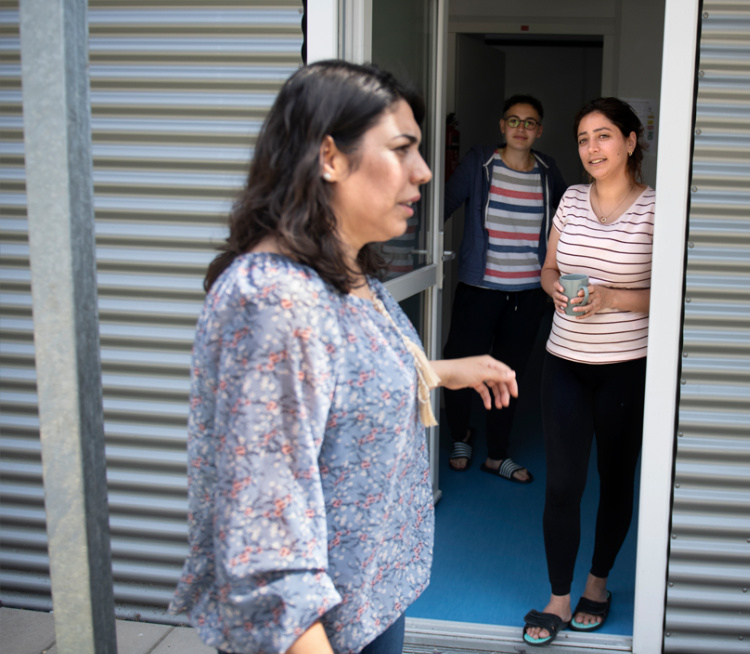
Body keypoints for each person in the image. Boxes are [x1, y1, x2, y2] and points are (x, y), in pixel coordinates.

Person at [168, 60, 519, 654]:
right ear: (329, 157)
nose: (425, 172)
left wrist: (440, 372)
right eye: (403, 149)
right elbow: (261, 529)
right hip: (317, 629)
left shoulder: (348, 270)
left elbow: (341, 384)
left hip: (372, 594)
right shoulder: (272, 301)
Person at [522, 98, 655, 645]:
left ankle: (597, 585)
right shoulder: (571, 200)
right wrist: (555, 288)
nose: (592, 148)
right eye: (582, 139)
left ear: (629, 142)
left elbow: (669, 296)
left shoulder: (657, 209)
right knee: (564, 485)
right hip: (565, 365)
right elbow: (548, 268)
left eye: (603, 136)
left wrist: (609, 298)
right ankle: (557, 595)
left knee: (616, 481)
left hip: (625, 369)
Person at [442, 94, 568, 483]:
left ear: (539, 130)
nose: (521, 128)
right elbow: (440, 206)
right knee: (460, 367)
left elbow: (569, 221)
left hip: (528, 294)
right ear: (502, 126)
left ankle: (498, 454)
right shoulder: (480, 165)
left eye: (529, 122)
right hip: (479, 289)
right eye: (513, 120)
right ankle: (461, 435)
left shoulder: (548, 172)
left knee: (508, 374)